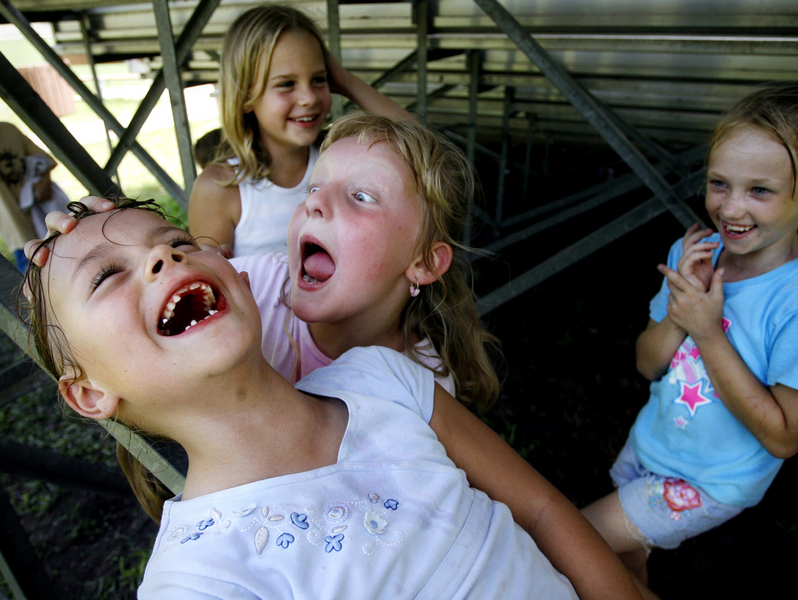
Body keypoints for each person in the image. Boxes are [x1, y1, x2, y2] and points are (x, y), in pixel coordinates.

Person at [22, 198, 642, 600]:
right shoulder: (197, 583)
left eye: (177, 240)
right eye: (107, 276)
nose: (162, 255)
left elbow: (540, 512)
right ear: (88, 392)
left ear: (240, 276)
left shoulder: (383, 379)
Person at [31, 115, 501, 519]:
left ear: (423, 262)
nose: (314, 201)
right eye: (316, 185)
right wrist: (73, 264)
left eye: (362, 196)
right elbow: (146, 302)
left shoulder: (424, 387)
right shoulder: (249, 289)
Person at [582, 81, 798, 598]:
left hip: (706, 482)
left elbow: (785, 437)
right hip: (653, 444)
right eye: (720, 183)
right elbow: (647, 365)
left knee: (568, 543)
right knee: (622, 561)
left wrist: (708, 332)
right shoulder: (696, 253)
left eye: (759, 190)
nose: (731, 209)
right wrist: (680, 307)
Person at [188, 3, 411, 258]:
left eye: (318, 79)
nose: (308, 98)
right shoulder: (219, 187)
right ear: (245, 96)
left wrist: (346, 81)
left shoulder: (341, 158)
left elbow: (420, 146)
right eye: (286, 84)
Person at [0, 122, 60, 272]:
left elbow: (43, 159)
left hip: (43, 216)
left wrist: (43, 183)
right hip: (18, 232)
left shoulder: (8, 130)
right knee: (32, 276)